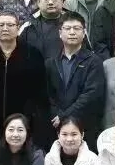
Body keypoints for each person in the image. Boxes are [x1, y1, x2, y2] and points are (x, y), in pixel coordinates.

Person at [0, 11, 48, 150]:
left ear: (18, 28)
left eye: (10, 25)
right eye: (1, 25)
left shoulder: (32, 54)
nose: (5, 28)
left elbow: (41, 91)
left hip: (24, 123)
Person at [43, 12, 105, 150]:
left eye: (77, 28)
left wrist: (64, 116)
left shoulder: (93, 62)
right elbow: (46, 94)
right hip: (56, 126)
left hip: (84, 126)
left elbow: (91, 94)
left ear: (84, 33)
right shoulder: (50, 62)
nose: (72, 32)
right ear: (60, 33)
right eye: (67, 28)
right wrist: (56, 114)